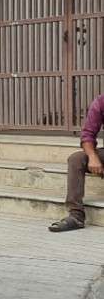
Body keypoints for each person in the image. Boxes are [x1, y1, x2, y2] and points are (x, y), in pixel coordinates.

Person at [49, 95, 104, 232]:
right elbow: (88, 134)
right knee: (76, 159)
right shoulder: (101, 102)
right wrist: (92, 156)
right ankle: (76, 216)